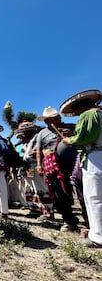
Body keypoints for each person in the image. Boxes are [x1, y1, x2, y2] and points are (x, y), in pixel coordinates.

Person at [59, 89, 102, 247]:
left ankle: (97, 237)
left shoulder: (88, 115)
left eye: (76, 109)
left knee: (94, 196)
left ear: (81, 106)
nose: (76, 113)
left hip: (95, 157)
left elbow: (86, 137)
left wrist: (69, 140)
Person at [36, 106, 79, 232]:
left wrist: (72, 135)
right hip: (54, 167)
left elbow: (83, 140)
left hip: (74, 163)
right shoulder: (42, 134)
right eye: (51, 119)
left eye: (57, 117)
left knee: (81, 192)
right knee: (59, 193)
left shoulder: (72, 126)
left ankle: (90, 221)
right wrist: (39, 165)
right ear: (46, 121)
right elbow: (39, 150)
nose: (55, 120)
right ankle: (69, 220)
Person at [15, 121, 54, 220]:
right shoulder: (27, 141)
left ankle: (48, 211)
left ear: (30, 131)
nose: (23, 134)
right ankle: (35, 209)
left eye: (25, 131)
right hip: (28, 167)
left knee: (41, 187)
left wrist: (35, 152)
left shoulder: (37, 137)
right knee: (31, 188)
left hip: (36, 165)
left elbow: (44, 149)